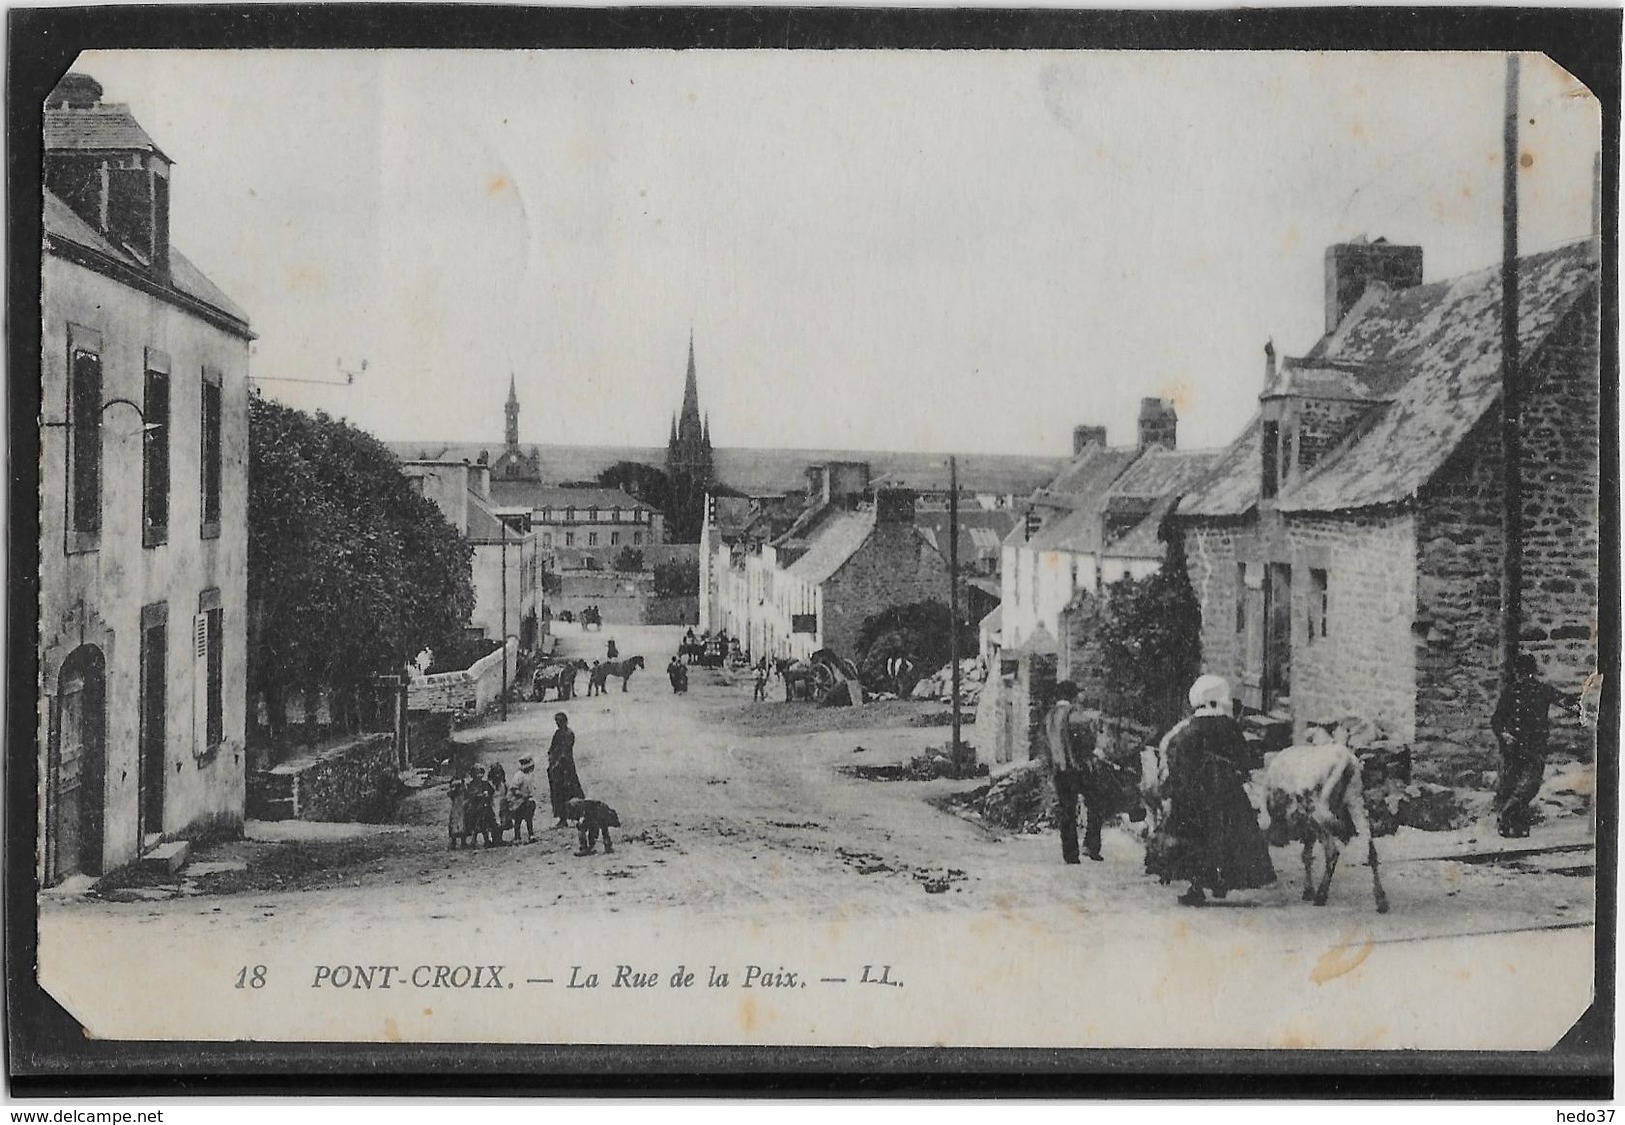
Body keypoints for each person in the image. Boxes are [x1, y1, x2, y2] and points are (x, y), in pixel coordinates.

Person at [1154, 675, 1276, 907]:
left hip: (1195, 793)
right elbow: (1244, 757)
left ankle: (1197, 887)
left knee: (1196, 837)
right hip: (1226, 791)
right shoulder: (1229, 727)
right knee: (1228, 835)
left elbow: (1178, 763)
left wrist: (1173, 790)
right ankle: (1222, 881)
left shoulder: (1187, 730)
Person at [1491, 654, 1572, 838]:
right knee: (1513, 785)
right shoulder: (1511, 692)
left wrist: (1587, 702)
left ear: (1532, 673)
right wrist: (1504, 734)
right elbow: (1497, 719)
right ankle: (1516, 826)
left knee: (1531, 784)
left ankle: (1506, 814)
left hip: (1535, 746)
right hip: (1513, 748)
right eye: (1520, 673)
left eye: (1527, 674)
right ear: (1517, 673)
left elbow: (1565, 700)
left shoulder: (1542, 690)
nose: (1524, 677)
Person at [1042, 681, 1104, 864]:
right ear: (1072, 696)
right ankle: (1091, 846)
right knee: (1096, 803)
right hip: (1077, 768)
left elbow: (1045, 745)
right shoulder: (1074, 715)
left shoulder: (1050, 716)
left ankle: (1070, 855)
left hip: (1058, 768)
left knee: (1066, 811)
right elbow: (1086, 740)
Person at [547, 712, 586, 828]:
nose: (558, 723)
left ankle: (579, 816)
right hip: (557, 768)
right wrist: (551, 760)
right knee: (558, 793)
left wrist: (558, 761)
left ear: (565, 721)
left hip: (567, 767)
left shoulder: (569, 734)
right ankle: (562, 818)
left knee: (572, 791)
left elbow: (565, 751)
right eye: (556, 721)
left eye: (560, 721)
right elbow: (552, 748)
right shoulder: (557, 733)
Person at [507, 756, 538, 843]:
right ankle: (517, 837)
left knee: (529, 818)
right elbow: (514, 788)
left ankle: (531, 835)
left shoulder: (530, 775)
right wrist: (521, 795)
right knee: (518, 819)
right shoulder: (519, 775)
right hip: (518, 801)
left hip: (527, 800)